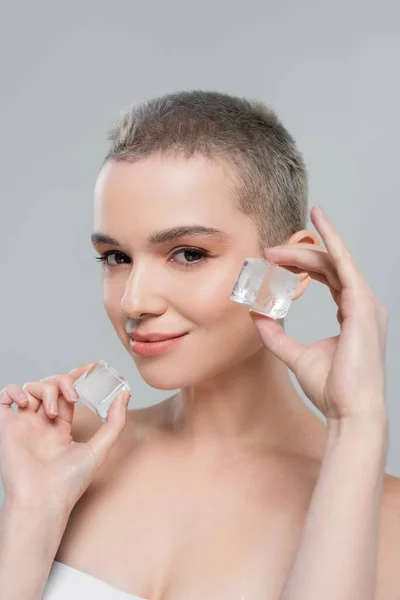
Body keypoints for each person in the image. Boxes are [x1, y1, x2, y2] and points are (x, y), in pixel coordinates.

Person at [0, 90, 397, 600]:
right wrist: (30, 513)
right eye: (116, 257)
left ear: (288, 269)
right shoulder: (70, 458)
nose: (135, 301)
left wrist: (358, 424)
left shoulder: (380, 515)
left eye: (188, 253)